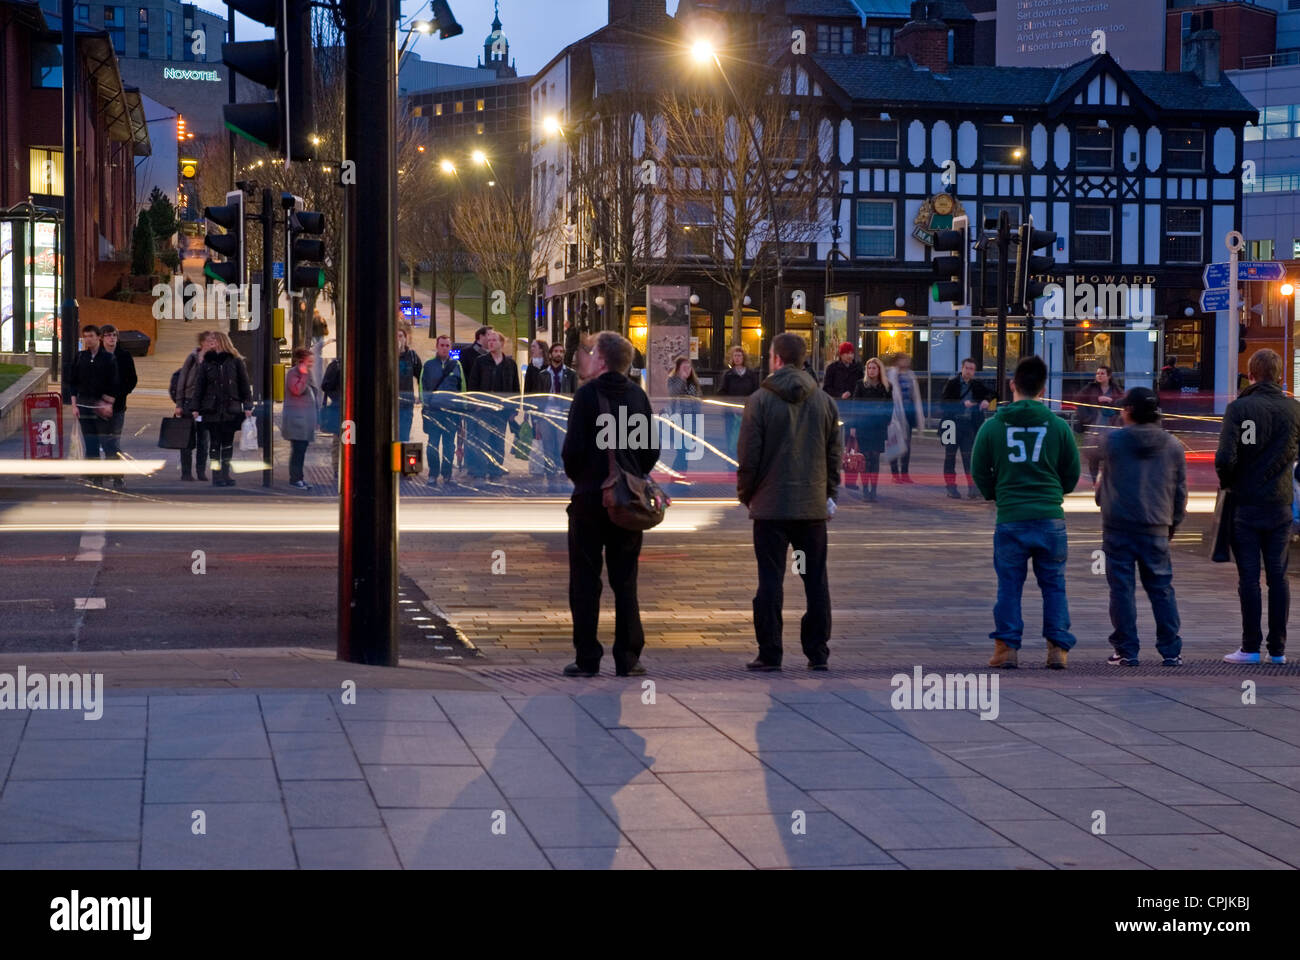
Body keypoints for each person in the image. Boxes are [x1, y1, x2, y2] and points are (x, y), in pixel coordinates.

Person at [738, 332, 841, 671]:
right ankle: (817, 651)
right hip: (810, 509)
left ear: (777, 359)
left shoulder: (759, 400)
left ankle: (770, 652)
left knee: (770, 578)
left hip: (770, 508)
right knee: (813, 579)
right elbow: (833, 455)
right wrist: (829, 495)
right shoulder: (824, 401)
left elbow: (749, 456)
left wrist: (747, 494)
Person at [972, 355, 1081, 669]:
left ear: (1012, 385)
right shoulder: (1058, 427)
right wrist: (1055, 492)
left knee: (1009, 585)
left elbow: (979, 470)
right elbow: (1071, 473)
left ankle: (1006, 649)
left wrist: (996, 493)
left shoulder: (993, 427)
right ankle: (1057, 648)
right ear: (1043, 389)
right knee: (1054, 585)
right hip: (1050, 518)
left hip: (1011, 518)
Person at [561, 331, 659, 677]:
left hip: (589, 499)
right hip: (626, 501)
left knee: (585, 580)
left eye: (591, 352)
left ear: (601, 360)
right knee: (626, 579)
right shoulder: (638, 397)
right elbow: (651, 451)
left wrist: (585, 479)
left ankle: (587, 657)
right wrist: (632, 475)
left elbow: (571, 452)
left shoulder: (586, 397)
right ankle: (627, 656)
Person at [1216, 348, 1300, 665]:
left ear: (1250, 374)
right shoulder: (1294, 409)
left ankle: (1249, 647)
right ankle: (1277, 650)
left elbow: (1225, 458)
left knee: (1248, 577)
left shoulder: (1239, 409)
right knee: (1278, 575)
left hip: (1246, 503)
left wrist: (1230, 481)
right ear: (1279, 375)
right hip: (1279, 503)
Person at [1095, 387, 1187, 667]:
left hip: (1119, 526)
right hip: (1157, 525)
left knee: (1121, 590)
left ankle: (1126, 650)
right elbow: (1180, 491)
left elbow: (1102, 483)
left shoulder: (1112, 442)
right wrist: (1173, 523)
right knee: (1161, 589)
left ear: (1130, 411)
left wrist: (1102, 500)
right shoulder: (1173, 445)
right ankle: (1170, 650)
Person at [186, 331, 254, 487]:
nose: (210, 342)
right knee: (215, 444)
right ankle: (217, 476)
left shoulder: (236, 361)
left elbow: (244, 385)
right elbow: (199, 388)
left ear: (221, 341)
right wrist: (195, 407)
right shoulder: (207, 363)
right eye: (209, 340)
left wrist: (248, 405)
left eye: (213, 340)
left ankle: (225, 473)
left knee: (227, 444)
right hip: (212, 409)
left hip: (231, 409)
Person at [67, 324, 119, 481]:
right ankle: (96, 476)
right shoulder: (80, 356)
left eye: (91, 336)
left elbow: (114, 383)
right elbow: (73, 382)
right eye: (85, 336)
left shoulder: (108, 358)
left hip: (101, 407)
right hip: (84, 406)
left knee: (107, 442)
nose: (88, 340)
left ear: (98, 337)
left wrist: (108, 403)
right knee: (91, 442)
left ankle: (117, 475)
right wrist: (74, 405)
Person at [467, 330, 520, 479]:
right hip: (484, 410)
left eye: (494, 340)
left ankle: (495, 472)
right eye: (489, 340)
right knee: (483, 441)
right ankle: (481, 472)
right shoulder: (481, 361)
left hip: (502, 411)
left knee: (498, 442)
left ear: (501, 343)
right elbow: (473, 384)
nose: (490, 343)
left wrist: (513, 409)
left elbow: (515, 388)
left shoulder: (510, 364)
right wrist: (476, 404)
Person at [525, 340, 576, 492]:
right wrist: (536, 419)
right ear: (550, 354)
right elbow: (537, 398)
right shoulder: (543, 375)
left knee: (562, 446)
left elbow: (575, 397)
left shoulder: (570, 374)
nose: (558, 354)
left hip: (563, 416)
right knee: (548, 447)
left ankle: (562, 474)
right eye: (556, 351)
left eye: (561, 351)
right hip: (546, 415)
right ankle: (551, 476)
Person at [939, 358, 993, 500]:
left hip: (968, 425)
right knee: (950, 456)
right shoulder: (952, 383)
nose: (968, 371)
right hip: (951, 424)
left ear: (974, 371)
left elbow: (992, 394)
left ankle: (973, 488)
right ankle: (951, 488)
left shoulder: (976, 385)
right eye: (966, 368)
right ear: (962, 368)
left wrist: (987, 400)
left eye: (971, 369)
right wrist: (962, 405)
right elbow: (943, 404)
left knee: (969, 457)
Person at [421, 334, 466, 488]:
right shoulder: (428, 365)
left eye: (447, 346)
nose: (445, 348)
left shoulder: (456, 366)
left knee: (449, 445)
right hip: (434, 411)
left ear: (450, 348)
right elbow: (423, 387)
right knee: (432, 444)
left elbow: (462, 389)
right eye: (442, 345)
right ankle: (433, 474)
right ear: (437, 346)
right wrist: (427, 405)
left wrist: (462, 409)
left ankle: (447, 474)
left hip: (451, 412)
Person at [97, 324, 137, 490]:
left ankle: (117, 476)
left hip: (118, 406)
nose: (111, 338)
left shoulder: (124, 356)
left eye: (114, 335)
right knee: (104, 441)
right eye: (108, 335)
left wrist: (116, 396)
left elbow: (132, 379)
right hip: (99, 407)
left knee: (114, 441)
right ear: (102, 338)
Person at [850, 357, 892, 502]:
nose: (872, 370)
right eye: (869, 368)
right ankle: (865, 489)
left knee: (875, 458)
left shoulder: (886, 386)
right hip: (863, 426)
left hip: (878, 427)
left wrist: (886, 420)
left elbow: (890, 407)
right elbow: (855, 406)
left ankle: (873, 489)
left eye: (874, 368)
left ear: (879, 369)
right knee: (865, 459)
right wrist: (853, 426)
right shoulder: (860, 385)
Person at [172, 330, 210, 481]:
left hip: (205, 405)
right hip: (188, 402)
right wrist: (179, 403)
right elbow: (182, 380)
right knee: (186, 439)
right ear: (202, 342)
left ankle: (201, 472)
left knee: (203, 440)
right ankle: (186, 473)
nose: (211, 343)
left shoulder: (214, 359)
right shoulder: (192, 358)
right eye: (208, 340)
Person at [1074, 365, 1120, 484]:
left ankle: (1107, 482)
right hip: (1094, 424)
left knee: (1110, 454)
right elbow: (1078, 399)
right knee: (1093, 454)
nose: (1099, 375)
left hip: (1110, 425)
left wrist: (1112, 402)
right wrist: (1096, 400)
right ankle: (1095, 482)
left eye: (1102, 373)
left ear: (1109, 376)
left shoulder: (1115, 389)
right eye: (1097, 373)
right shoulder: (1091, 387)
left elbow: (1121, 404)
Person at [282, 347, 319, 490]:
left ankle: (299, 478)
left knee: (301, 451)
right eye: (309, 361)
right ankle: (295, 478)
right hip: (297, 420)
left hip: (306, 420)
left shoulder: (307, 373)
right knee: (298, 450)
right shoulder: (293, 373)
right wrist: (303, 375)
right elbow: (297, 390)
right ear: (302, 361)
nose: (311, 364)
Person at [459, 325, 494, 477]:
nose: (491, 339)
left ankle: (488, 465)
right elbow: (464, 378)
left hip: (488, 405)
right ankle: (472, 465)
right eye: (489, 336)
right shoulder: (467, 353)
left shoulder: (492, 355)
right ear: (480, 337)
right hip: (472, 403)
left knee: (488, 436)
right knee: (472, 435)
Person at [717, 346, 759, 462]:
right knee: (731, 438)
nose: (737, 358)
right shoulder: (728, 375)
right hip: (731, 413)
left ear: (743, 357)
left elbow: (756, 393)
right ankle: (731, 462)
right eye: (735, 355)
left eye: (739, 355)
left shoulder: (751, 375)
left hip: (747, 412)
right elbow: (722, 393)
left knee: (746, 438)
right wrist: (731, 406)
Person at [665, 356, 702, 487]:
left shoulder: (693, 384)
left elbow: (697, 404)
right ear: (678, 369)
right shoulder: (673, 381)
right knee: (682, 452)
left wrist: (698, 422)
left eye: (689, 367)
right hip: (678, 422)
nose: (687, 370)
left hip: (690, 421)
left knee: (684, 453)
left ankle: (678, 480)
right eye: (684, 367)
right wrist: (682, 378)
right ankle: (675, 481)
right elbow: (673, 393)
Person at [887, 354, 925, 482]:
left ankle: (904, 473)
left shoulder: (911, 375)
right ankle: (895, 474)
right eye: (903, 359)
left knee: (906, 445)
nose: (906, 362)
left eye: (907, 359)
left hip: (908, 414)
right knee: (893, 443)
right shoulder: (891, 374)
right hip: (894, 413)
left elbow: (915, 395)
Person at [396, 322, 422, 444]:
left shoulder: (412, 356)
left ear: (405, 339)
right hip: (390, 403)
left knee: (404, 434)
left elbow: (421, 376)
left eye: (401, 336)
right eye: (396, 336)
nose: (398, 339)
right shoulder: (385, 356)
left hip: (406, 402)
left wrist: (420, 395)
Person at [320, 356, 342, 477]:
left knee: (342, 439)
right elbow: (325, 386)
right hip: (339, 408)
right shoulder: (336, 365)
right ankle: (338, 467)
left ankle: (338, 467)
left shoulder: (335, 365)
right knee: (339, 439)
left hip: (339, 407)